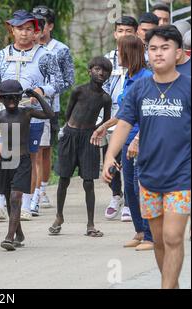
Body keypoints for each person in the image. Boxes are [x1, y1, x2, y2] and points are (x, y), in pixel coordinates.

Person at [103, 25, 190, 288]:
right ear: (147, 53)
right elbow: (124, 125)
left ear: (178, 53)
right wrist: (109, 157)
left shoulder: (188, 87)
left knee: (174, 237)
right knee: (159, 239)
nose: (159, 53)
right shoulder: (139, 89)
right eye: (153, 48)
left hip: (182, 176)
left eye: (165, 48)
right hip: (148, 176)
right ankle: (171, 284)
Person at [0, 10, 63, 221]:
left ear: (36, 31)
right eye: (20, 28)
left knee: (29, 157)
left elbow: (58, 82)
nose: (24, 33)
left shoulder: (46, 55)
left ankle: (27, 204)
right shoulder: (2, 54)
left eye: (29, 29)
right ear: (12, 30)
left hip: (30, 112)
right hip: (3, 113)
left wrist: (42, 91)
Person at [91, 35, 154, 251]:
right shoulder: (129, 76)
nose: (117, 55)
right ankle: (139, 231)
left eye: (121, 51)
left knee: (140, 188)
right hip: (126, 139)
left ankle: (151, 235)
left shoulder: (146, 78)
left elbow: (148, 113)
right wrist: (104, 125)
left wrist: (138, 138)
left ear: (131, 53)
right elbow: (126, 112)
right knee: (128, 187)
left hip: (142, 139)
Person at [0, 80, 54, 251]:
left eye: (15, 97)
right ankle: (19, 234)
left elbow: (50, 114)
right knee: (10, 199)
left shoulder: (27, 112)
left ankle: (9, 237)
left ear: (20, 97)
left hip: (22, 160)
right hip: (5, 161)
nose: (11, 101)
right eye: (7, 98)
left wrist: (37, 96)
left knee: (16, 197)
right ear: (1, 98)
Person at [49, 56, 112, 237]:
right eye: (97, 69)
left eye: (105, 71)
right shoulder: (78, 91)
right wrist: (68, 130)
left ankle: (90, 224)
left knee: (88, 182)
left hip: (89, 139)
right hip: (70, 135)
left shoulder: (105, 98)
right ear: (89, 71)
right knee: (64, 179)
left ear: (108, 75)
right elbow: (68, 113)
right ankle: (59, 216)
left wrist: (95, 130)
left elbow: (106, 121)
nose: (101, 73)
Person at [31, 5, 75, 212]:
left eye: (42, 24)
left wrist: (49, 90)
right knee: (32, 150)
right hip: (25, 106)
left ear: (50, 26)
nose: (37, 28)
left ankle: (42, 189)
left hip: (49, 105)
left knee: (44, 149)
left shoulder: (60, 49)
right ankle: (31, 192)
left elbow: (68, 80)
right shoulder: (24, 45)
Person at [103, 16, 138, 222]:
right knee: (111, 158)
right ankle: (116, 195)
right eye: (120, 30)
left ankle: (129, 200)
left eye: (128, 31)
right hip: (111, 115)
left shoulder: (143, 58)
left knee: (129, 159)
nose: (124, 35)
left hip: (132, 117)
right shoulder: (107, 59)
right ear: (115, 33)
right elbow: (102, 88)